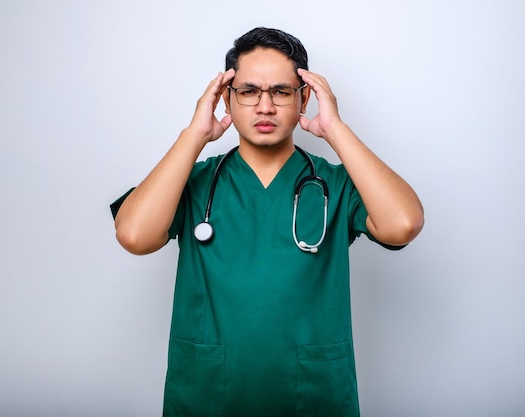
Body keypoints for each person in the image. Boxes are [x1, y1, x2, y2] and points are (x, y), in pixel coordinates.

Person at [110, 27, 424, 417]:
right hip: (207, 395)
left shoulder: (335, 184)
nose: (264, 107)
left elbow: (405, 223)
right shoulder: (192, 182)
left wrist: (336, 131)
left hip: (313, 396)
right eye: (248, 91)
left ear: (304, 97)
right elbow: (134, 235)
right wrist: (194, 135)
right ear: (226, 99)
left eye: (280, 91)